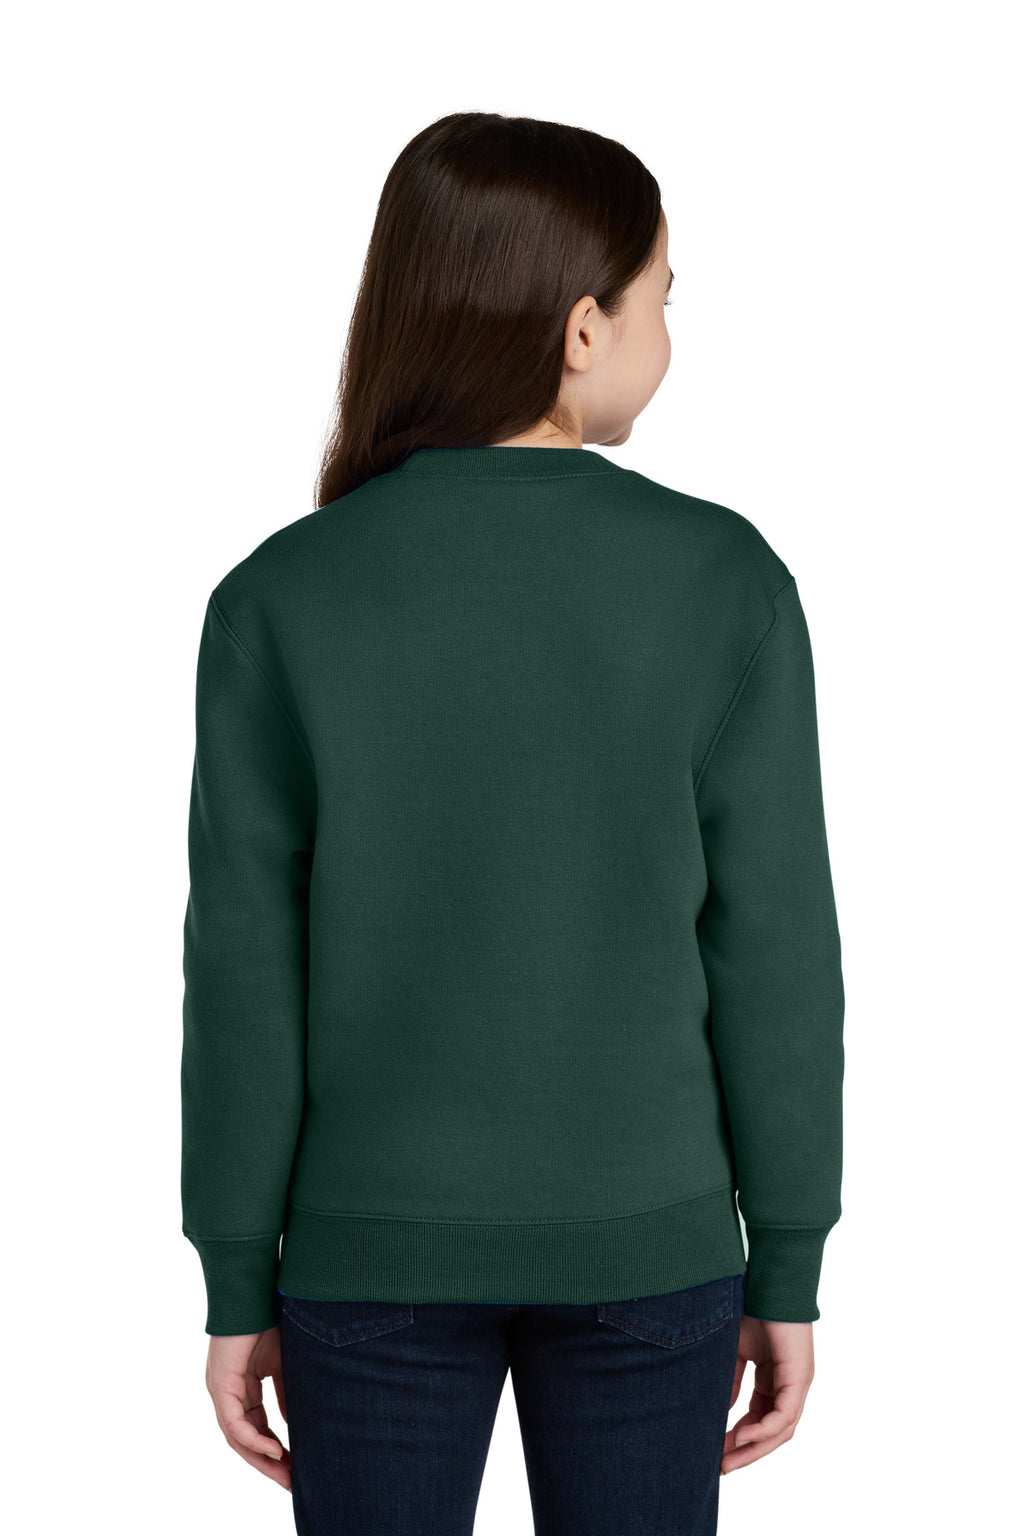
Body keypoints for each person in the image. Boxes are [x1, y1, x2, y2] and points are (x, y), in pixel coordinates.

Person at [180, 111, 845, 1536]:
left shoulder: (278, 599)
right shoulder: (724, 581)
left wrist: (238, 1278)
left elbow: (242, 974)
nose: (669, 332)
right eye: (664, 298)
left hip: (365, 1259)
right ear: (583, 329)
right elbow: (777, 955)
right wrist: (786, 1260)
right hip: (654, 1253)